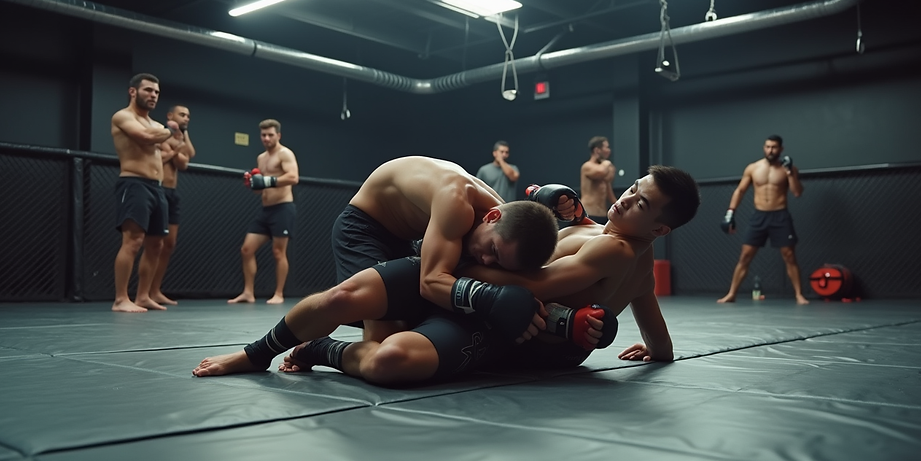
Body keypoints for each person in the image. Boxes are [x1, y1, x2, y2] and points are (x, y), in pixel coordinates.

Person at [278, 165, 701, 386]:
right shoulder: (618, 245)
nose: (627, 201)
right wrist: (651, 348)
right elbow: (661, 345)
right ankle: (322, 340)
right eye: (632, 189)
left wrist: (448, 265)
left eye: (642, 205)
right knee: (383, 334)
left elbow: (531, 285)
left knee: (390, 346)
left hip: (516, 333)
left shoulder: (615, 247)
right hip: (523, 335)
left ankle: (321, 348)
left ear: (660, 229)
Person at [194, 156, 562, 378]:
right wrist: (494, 297)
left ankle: (321, 345)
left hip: (408, 238)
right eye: (493, 250)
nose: (486, 261)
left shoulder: (499, 220)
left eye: (497, 261)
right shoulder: (458, 202)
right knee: (353, 307)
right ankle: (259, 354)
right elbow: (432, 283)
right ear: (492, 217)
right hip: (365, 228)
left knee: (390, 350)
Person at [110, 73, 185, 313]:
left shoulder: (155, 125)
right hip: (134, 183)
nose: (153, 95)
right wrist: (169, 132)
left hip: (158, 187)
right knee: (133, 242)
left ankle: (142, 296)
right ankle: (121, 299)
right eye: (148, 90)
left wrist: (168, 134)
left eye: (156, 92)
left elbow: (180, 151)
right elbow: (143, 138)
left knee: (156, 245)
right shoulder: (123, 116)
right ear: (133, 92)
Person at [717, 135, 809, 305]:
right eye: (767, 146)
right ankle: (731, 294)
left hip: (780, 215)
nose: (770, 150)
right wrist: (730, 213)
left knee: (789, 256)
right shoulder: (753, 168)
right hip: (759, 215)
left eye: (774, 147)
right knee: (745, 256)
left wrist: (790, 173)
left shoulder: (788, 169)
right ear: (763, 148)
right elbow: (740, 190)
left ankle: (799, 295)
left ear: (781, 149)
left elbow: (797, 192)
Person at [228, 119, 299, 305]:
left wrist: (266, 181)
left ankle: (279, 294)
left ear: (278, 135)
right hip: (265, 210)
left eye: (270, 135)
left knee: (278, 252)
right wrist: (254, 183)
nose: (266, 138)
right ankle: (248, 293)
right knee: (246, 249)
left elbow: (293, 177)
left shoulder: (285, 154)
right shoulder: (261, 158)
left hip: (283, 208)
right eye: (263, 135)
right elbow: (261, 188)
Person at [148, 104, 196, 305]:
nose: (186, 118)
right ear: (170, 116)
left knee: (169, 244)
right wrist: (175, 148)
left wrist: (181, 138)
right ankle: (144, 292)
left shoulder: (178, 138)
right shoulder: (160, 132)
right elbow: (163, 157)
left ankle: (155, 290)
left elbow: (187, 158)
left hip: (173, 193)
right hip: (157, 189)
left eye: (188, 115)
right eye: (182, 114)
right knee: (153, 245)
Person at [580, 136, 618, 224]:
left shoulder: (604, 169)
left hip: (602, 215)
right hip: (589, 214)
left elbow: (609, 192)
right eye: (606, 147)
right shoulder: (587, 166)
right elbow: (601, 171)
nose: (609, 150)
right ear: (597, 150)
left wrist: (618, 204)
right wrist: (607, 163)